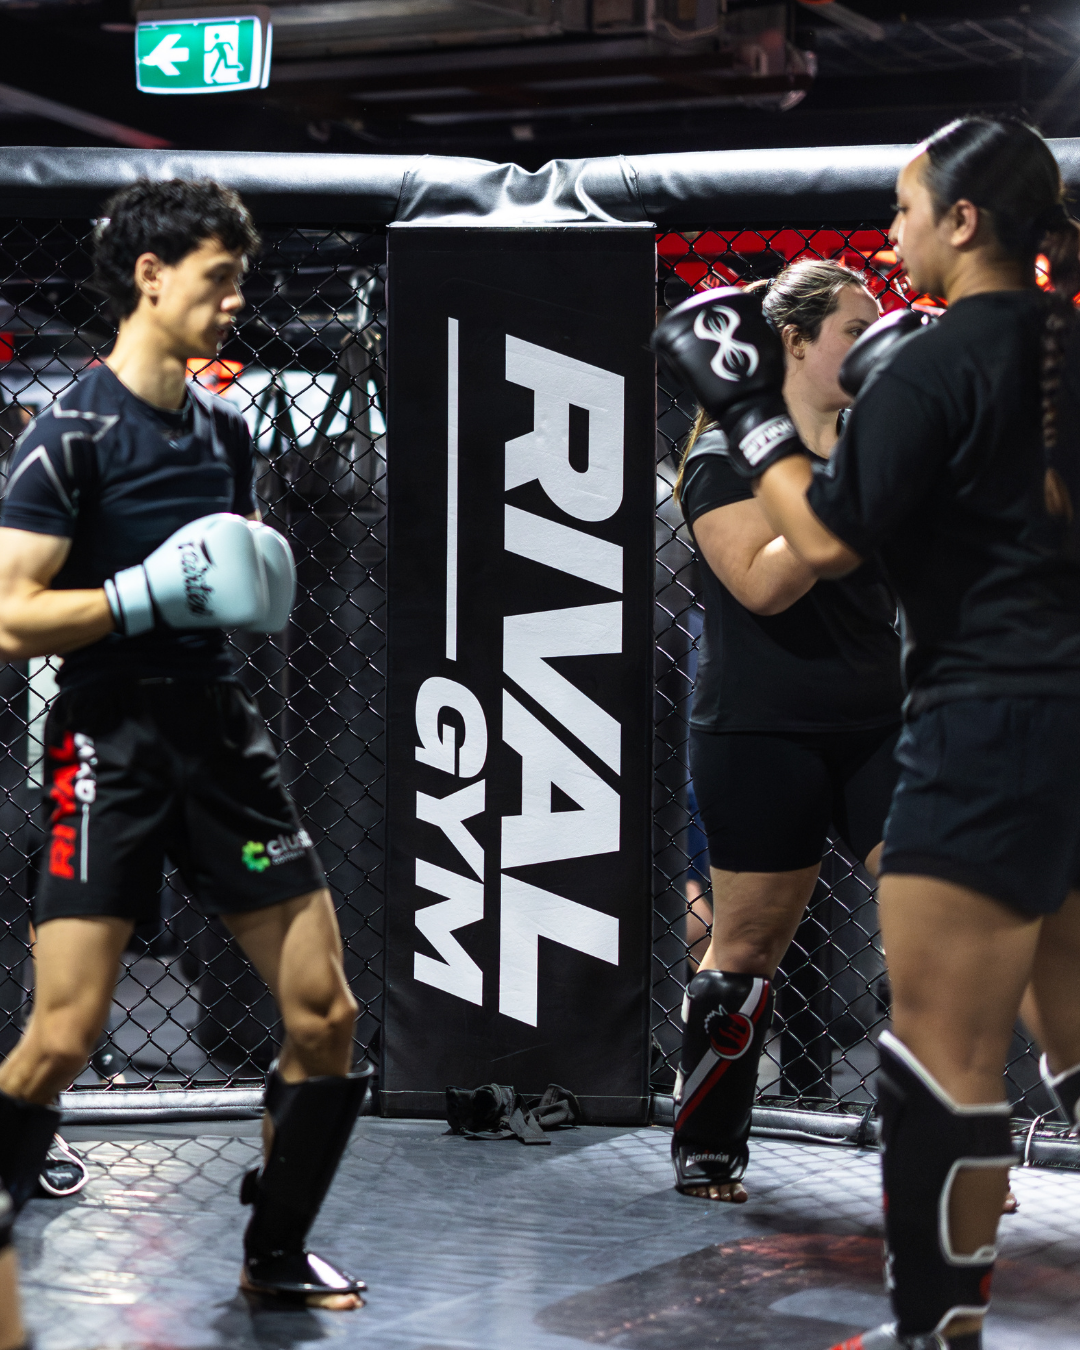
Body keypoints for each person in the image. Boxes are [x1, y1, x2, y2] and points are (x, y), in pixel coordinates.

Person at [654, 115, 1080, 1350]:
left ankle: (936, 1328)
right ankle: (711, 1140)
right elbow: (771, 573)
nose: (892, 237)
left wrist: (752, 413)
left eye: (905, 208)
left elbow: (829, 543)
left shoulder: (934, 372)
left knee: (944, 1053)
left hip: (964, 721)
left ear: (963, 220)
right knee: (1065, 1028)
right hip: (851, 725)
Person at [0, 178, 370, 1311]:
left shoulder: (225, 429)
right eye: (218, 277)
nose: (235, 299)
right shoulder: (70, 435)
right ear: (151, 276)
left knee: (326, 1015)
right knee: (62, 1033)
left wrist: (226, 588)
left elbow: (225, 587)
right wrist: (140, 596)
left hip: (221, 738)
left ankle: (271, 1252)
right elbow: (12, 614)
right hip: (110, 741)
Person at [671, 260, 903, 1202]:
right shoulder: (723, 458)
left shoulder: (878, 445)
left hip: (880, 723)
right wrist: (849, 479)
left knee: (934, 921)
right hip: (761, 732)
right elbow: (764, 580)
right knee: (748, 945)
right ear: (796, 343)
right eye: (856, 329)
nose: (874, 345)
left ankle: (939, 1136)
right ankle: (710, 1147)